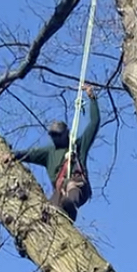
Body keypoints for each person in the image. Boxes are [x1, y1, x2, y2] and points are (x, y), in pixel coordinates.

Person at [13, 85, 100, 221]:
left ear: (66, 134)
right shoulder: (48, 153)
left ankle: (70, 208)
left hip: (77, 185)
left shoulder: (78, 146)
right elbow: (28, 154)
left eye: (57, 135)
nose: (55, 138)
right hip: (59, 190)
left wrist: (92, 98)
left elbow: (94, 123)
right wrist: (13, 155)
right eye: (53, 135)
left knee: (71, 191)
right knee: (48, 210)